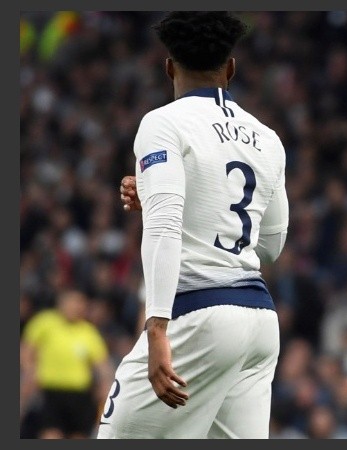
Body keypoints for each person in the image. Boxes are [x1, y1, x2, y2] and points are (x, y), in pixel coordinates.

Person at [97, 12, 288, 439]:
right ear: (231, 68)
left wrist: (157, 328)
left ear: (169, 66)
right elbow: (271, 243)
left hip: (197, 315)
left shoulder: (163, 123)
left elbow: (163, 226)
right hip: (258, 322)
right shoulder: (267, 137)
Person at [20, 289, 114, 439]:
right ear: (62, 303)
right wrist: (30, 370)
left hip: (80, 396)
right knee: (50, 435)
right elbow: (27, 349)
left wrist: (105, 386)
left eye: (80, 303)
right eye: (73, 302)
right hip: (51, 392)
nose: (76, 306)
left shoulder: (88, 331)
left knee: (78, 437)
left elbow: (102, 365)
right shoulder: (44, 323)